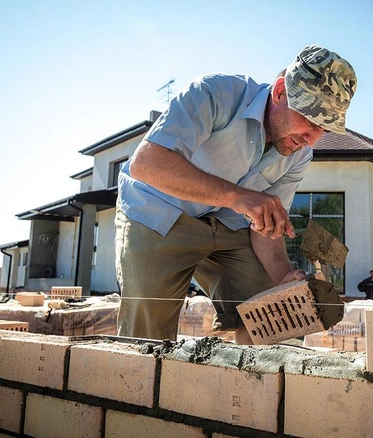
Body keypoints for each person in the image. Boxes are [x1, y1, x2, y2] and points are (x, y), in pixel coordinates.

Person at [114, 45, 357, 341]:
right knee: (146, 335)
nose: (312, 139)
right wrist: (237, 197)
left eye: (325, 129)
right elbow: (146, 165)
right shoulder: (215, 93)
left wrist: (283, 276)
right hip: (157, 212)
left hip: (227, 227)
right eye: (310, 120)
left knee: (278, 315)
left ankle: (247, 383)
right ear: (281, 91)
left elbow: (266, 228)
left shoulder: (299, 154)